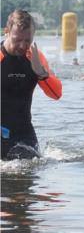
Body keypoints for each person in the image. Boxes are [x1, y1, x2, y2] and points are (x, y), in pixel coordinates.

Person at [1, 10, 63, 160]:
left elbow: (56, 94)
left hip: (24, 132)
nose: (23, 46)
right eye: (17, 40)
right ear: (7, 32)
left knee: (32, 164)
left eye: (28, 40)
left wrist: (41, 73)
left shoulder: (36, 58)